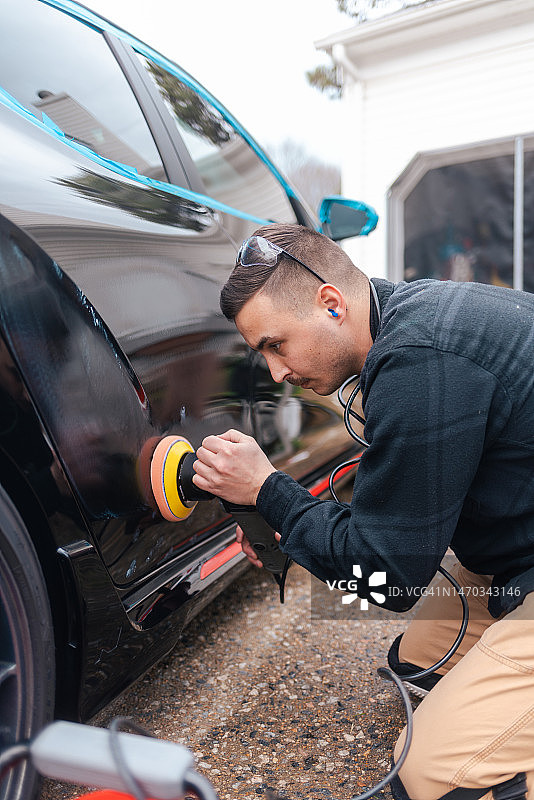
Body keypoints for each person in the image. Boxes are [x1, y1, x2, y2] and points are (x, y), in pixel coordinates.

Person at [192, 223, 534, 800]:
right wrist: (286, 524)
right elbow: (393, 521)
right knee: (418, 664)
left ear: (331, 304)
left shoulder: (420, 362)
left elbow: (388, 575)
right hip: (518, 557)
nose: (277, 373)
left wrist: (269, 492)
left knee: (433, 776)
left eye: (276, 345)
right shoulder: (407, 322)